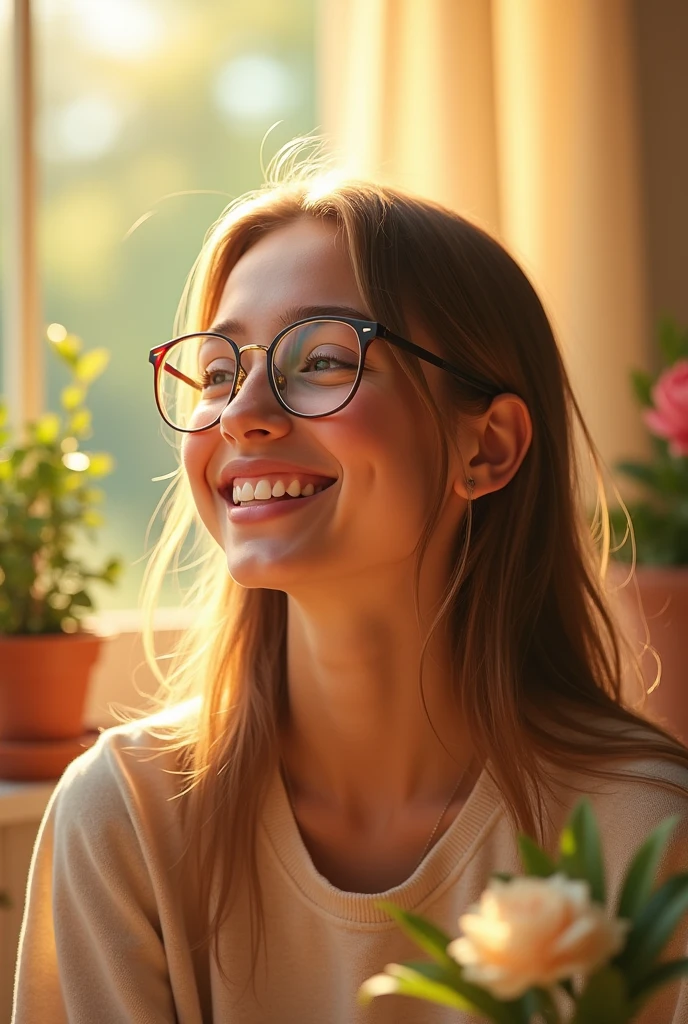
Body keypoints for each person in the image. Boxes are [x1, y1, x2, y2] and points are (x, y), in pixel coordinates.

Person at [12, 155, 688, 1024]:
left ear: (488, 448)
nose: (243, 412)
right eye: (219, 373)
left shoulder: (650, 838)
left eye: (322, 360)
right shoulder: (126, 819)